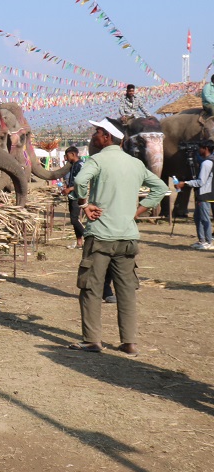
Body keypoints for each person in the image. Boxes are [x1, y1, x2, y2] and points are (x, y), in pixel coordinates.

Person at [68, 119, 168, 355]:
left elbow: (80, 181)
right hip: (127, 237)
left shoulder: (98, 160)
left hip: (100, 236)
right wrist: (137, 212)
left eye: (97, 132)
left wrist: (84, 203)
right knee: (126, 291)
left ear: (106, 137)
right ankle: (129, 342)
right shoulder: (135, 164)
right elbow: (160, 188)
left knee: (92, 289)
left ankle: (92, 340)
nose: (94, 136)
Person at [180, 140, 214, 250]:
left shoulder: (206, 163)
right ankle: (202, 240)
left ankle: (208, 241)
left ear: (206, 149)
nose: (198, 150)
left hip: (204, 194)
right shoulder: (209, 161)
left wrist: (184, 183)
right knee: (197, 217)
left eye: (200, 148)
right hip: (206, 193)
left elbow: (200, 182)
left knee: (204, 218)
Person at [59, 146, 85, 249]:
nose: (66, 158)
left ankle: (89, 237)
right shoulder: (73, 165)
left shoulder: (81, 165)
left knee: (74, 220)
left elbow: (83, 182)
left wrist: (70, 189)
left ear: (73, 154)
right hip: (71, 195)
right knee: (73, 219)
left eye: (67, 155)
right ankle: (79, 242)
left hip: (78, 196)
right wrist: (67, 187)